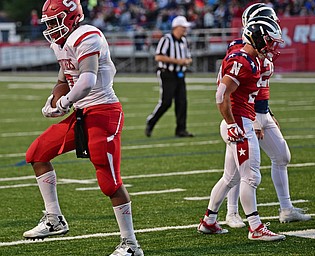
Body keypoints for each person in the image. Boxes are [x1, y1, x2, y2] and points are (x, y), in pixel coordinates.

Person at [23, 1, 143, 255]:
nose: (51, 28)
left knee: (109, 182)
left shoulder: (87, 36)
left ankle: (131, 244)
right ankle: (54, 219)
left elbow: (87, 80)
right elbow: (63, 78)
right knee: (37, 154)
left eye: (54, 21)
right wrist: (53, 99)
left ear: (71, 17)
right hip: (82, 113)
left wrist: (64, 103)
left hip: (104, 112)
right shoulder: (61, 42)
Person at [197, 17, 286, 241]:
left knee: (231, 177)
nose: (272, 47)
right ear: (257, 39)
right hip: (239, 122)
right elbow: (221, 94)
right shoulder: (243, 60)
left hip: (242, 119)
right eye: (268, 41)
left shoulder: (250, 58)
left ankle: (209, 220)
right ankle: (255, 227)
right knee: (251, 176)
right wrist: (232, 124)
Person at [224, 3, 311, 229]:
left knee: (282, 156)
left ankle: (286, 208)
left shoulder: (265, 49)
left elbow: (260, 87)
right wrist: (251, 119)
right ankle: (232, 213)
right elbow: (230, 90)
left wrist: (267, 112)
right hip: (244, 115)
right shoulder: (240, 50)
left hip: (260, 112)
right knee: (237, 170)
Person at [145, 15, 194, 138]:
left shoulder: (184, 41)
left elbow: (187, 56)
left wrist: (187, 61)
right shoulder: (166, 39)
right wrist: (178, 61)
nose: (185, 30)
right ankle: (151, 121)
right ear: (176, 27)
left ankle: (181, 129)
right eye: (183, 27)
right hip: (167, 73)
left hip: (179, 74)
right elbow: (158, 56)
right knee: (166, 102)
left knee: (182, 102)